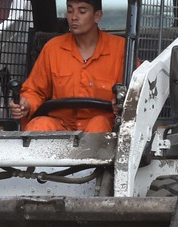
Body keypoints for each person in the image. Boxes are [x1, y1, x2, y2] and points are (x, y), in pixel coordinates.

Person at [8, 0, 124, 132]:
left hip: (103, 129)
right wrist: (25, 104)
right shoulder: (53, 48)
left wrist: (121, 104)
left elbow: (135, 94)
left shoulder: (121, 50)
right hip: (62, 124)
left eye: (82, 11)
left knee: (98, 124)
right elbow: (35, 90)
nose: (74, 17)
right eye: (70, 10)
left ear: (97, 16)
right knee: (39, 125)